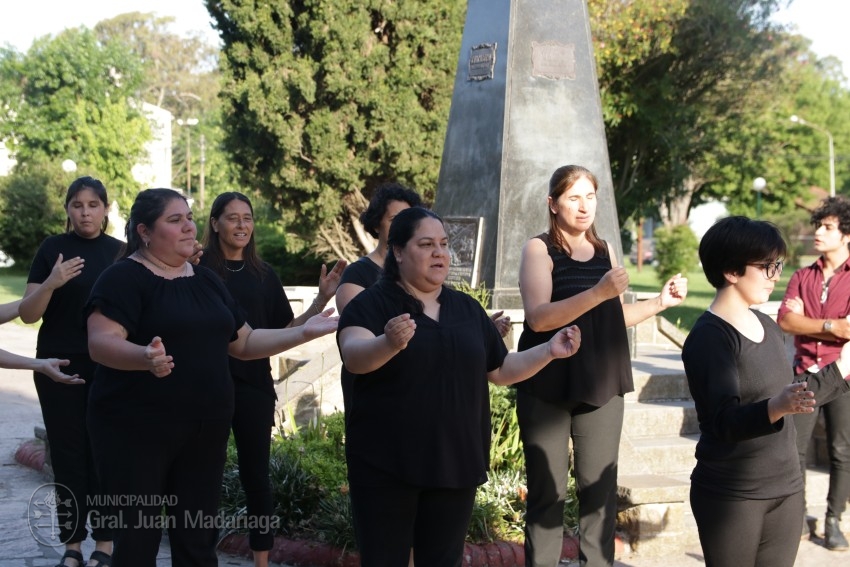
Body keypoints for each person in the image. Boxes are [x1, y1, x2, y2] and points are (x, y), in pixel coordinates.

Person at [84, 188, 338, 566]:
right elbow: (100, 342)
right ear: (145, 232)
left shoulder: (206, 280)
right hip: (137, 431)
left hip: (203, 433)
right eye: (175, 220)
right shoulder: (122, 278)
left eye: (188, 217)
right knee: (137, 541)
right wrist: (144, 357)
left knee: (198, 541)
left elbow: (246, 341)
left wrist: (303, 331)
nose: (189, 226)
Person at [337, 206, 581, 566]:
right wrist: (387, 343)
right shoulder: (370, 305)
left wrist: (548, 350)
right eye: (426, 244)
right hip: (387, 466)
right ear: (399, 252)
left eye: (444, 244)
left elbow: (500, 368)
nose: (440, 252)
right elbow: (354, 355)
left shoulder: (466, 309)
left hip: (454, 464)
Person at [516, 164, 687, 567]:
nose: (583, 207)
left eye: (590, 197)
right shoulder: (538, 249)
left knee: (599, 494)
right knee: (547, 493)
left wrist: (660, 303)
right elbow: (539, 318)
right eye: (573, 197)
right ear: (553, 204)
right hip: (548, 384)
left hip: (601, 383)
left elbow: (611, 316)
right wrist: (598, 292)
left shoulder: (606, 249)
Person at [683, 215, 850, 567]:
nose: (776, 277)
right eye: (767, 267)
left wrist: (843, 368)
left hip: (786, 489)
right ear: (731, 271)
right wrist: (775, 406)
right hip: (732, 494)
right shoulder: (710, 337)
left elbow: (793, 396)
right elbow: (722, 421)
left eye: (778, 266)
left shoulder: (767, 326)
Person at [200, 191, 346, 567]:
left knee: (256, 475)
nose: (241, 225)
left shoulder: (263, 275)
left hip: (253, 385)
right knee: (203, 475)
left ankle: (262, 560)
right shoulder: (197, 271)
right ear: (214, 223)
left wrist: (319, 301)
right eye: (232, 218)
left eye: (247, 218)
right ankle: (199, 554)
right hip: (207, 386)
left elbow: (284, 331)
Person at [19, 176, 122, 567]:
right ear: (67, 209)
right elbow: (29, 314)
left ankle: (106, 544)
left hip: (109, 367)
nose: (85, 212)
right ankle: (73, 545)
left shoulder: (120, 252)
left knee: (106, 454)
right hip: (56, 365)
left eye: (93, 205)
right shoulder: (52, 249)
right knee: (68, 456)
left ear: (106, 209)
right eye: (77, 205)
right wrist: (51, 282)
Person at [777, 196, 850, 549]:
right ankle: (798, 517)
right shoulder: (803, 274)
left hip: (845, 377)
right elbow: (786, 320)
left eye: (828, 227)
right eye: (818, 225)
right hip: (804, 373)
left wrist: (809, 322)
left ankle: (834, 519)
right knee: (795, 450)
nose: (818, 232)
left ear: (846, 235)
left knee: (842, 450)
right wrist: (831, 326)